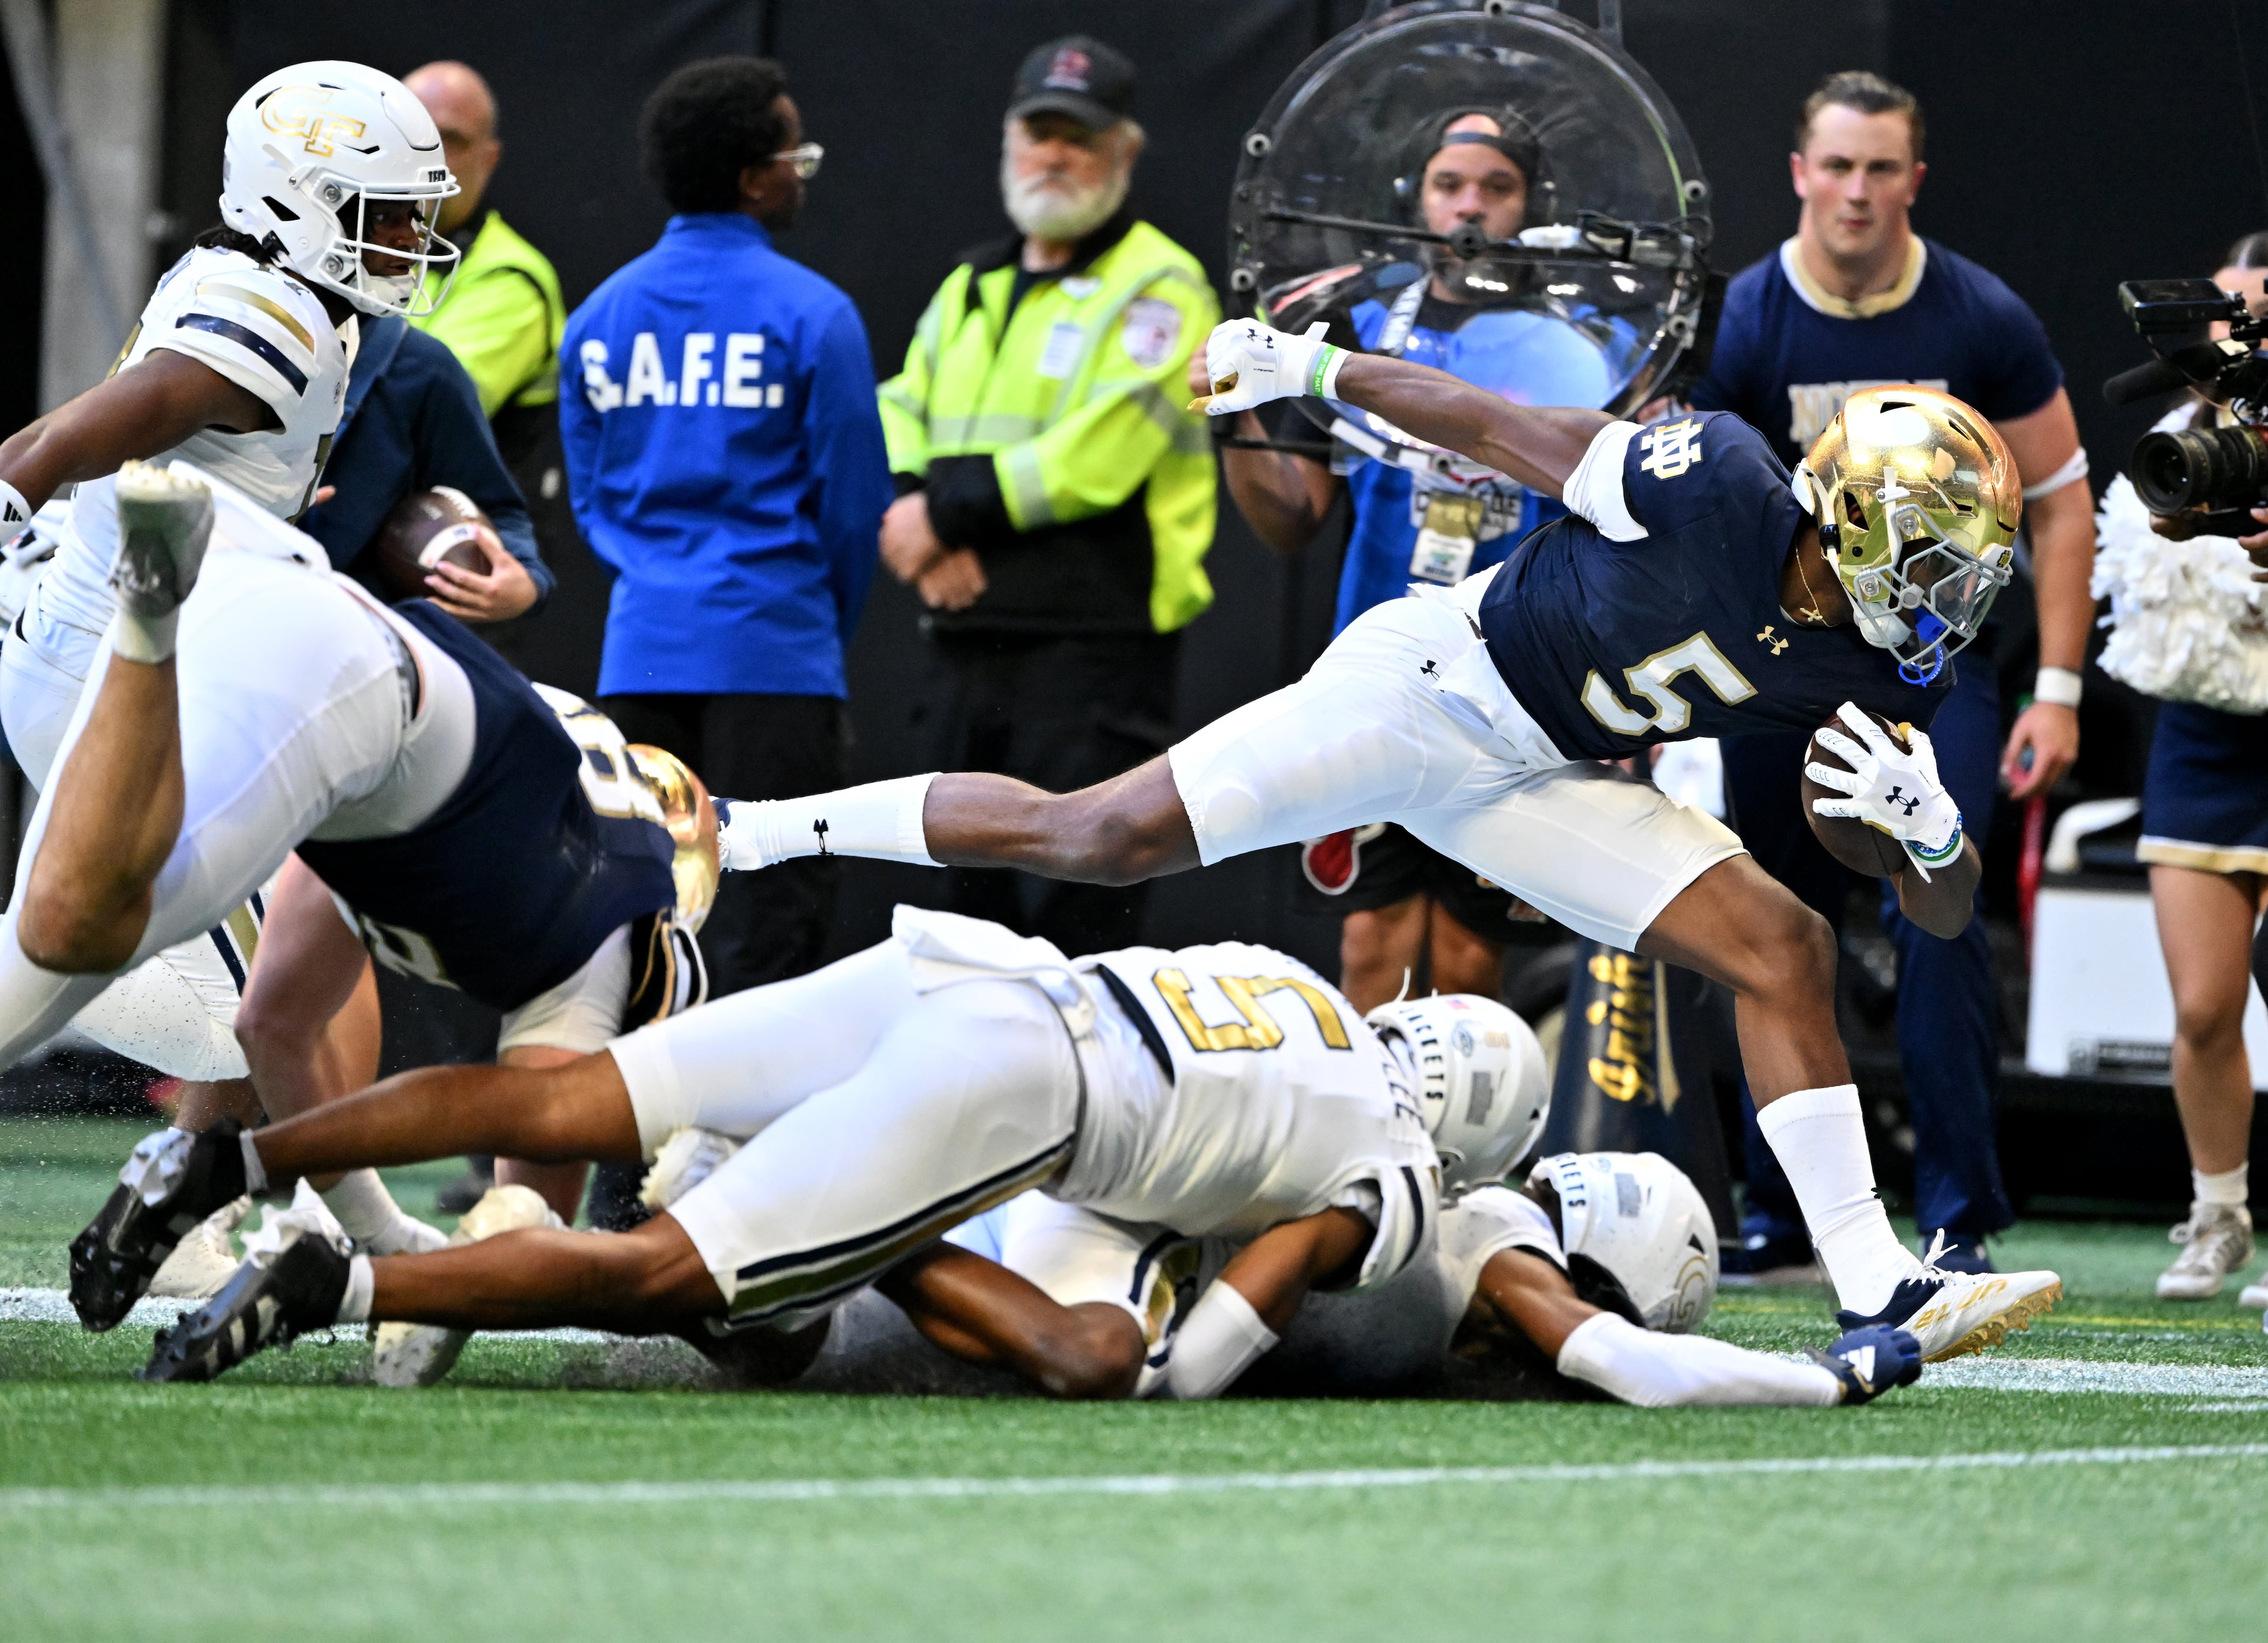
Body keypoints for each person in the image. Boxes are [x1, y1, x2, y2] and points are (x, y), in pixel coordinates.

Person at [718, 321, 2068, 1365]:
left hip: (1536, 770)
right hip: (1428, 689)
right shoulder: (1708, 482)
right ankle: (754, 830)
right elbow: (1490, 419)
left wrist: (1927, 840)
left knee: (1783, 943)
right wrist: (1311, 362)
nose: (1955, 591)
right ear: (1847, 523)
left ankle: (1870, 1280)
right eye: (1937, 555)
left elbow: (1937, 910)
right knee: (1102, 833)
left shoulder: (1897, 667)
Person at [121, 909, 1440, 1389]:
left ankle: (236, 1159)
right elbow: (1193, 1364)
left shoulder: (1298, 983)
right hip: (1028, 1089)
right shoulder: (1401, 1162)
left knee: (565, 1101)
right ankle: (338, 1285)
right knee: (659, 1276)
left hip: (969, 971)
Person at [2, 463, 691, 1336]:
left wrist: (316, 1205)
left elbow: (278, 1027)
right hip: (343, 692)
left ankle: (136, 592)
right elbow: (523, 1204)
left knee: (92, 935)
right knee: (79, 930)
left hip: (271, 592)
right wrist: (363, 1247)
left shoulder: (529, 805)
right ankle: (142, 614)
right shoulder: (609, 924)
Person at [1683, 73, 2098, 1278]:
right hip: (1785, 666)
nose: (1858, 192)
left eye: (1882, 170)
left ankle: (1961, 1211)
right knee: (1771, 921)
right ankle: (1782, 1206)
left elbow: (2065, 508)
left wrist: (2059, 687)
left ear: (1915, 180)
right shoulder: (1747, 321)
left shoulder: (1980, 317)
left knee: (1941, 907)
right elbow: (1692, 518)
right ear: (1800, 173)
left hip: (1939, 666)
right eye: (1839, 167)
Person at [0, 60, 456, 1109]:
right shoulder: (270, 322)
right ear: (296, 202)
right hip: (114, 681)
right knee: (240, 1016)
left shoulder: (271, 287)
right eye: (382, 217)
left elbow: (129, 446)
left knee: (277, 986)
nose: (404, 243)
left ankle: (208, 1211)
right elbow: (62, 438)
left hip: (139, 663)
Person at [1204, 109, 1602, 1010]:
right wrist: (1235, 415)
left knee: (1469, 963)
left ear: (1531, 205)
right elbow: (1291, 519)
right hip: (1378, 681)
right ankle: (1375, 1145)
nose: (1470, 209)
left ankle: (1465, 1155)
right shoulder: (1354, 324)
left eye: (1495, 190)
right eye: (1449, 185)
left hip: (1519, 689)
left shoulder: (1585, 348)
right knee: (1371, 948)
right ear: (1412, 197)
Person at [876, 36, 1218, 953]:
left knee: (1087, 908)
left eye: (1079, 136)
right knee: (955, 912)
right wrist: (915, 508)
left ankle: (1095, 1098)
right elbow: (900, 406)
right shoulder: (970, 283)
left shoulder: (1163, 286)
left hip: (1093, 652)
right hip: (965, 639)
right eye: (1040, 133)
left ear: (1125, 152)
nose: (1055, 156)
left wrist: (938, 519)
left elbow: (1101, 453)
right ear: (1008, 140)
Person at [563, 57, 889, 998]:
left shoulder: (598, 320)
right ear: (753, 178)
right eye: (795, 155)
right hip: (779, 654)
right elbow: (854, 513)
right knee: (770, 929)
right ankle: (742, 1143)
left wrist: (661, 578)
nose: (802, 172)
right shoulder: (817, 316)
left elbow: (594, 500)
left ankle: (628, 1147)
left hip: (643, 654)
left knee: (640, 919)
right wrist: (812, 625)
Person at [2095, 235, 2268, 1306]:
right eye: (2236, 313)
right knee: (2205, 1005)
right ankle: (2219, 1214)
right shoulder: (2179, 444)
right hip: (2205, 739)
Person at [298, 314, 551, 622]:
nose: (403, 266)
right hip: (234, 586)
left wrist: (526, 582)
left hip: (358, 623)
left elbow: (497, 509)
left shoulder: (421, 364)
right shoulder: (227, 339)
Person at [400, 63, 566, 446]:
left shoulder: (509, 277)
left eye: (450, 140)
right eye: (409, 134)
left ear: (489, 159)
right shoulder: (341, 245)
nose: (427, 155)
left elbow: (415, 418)